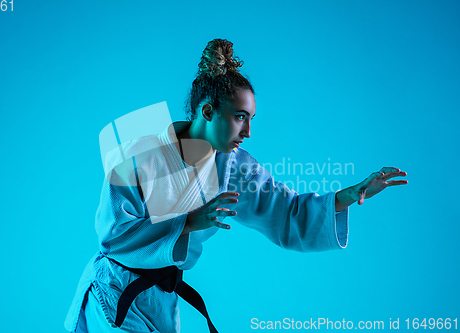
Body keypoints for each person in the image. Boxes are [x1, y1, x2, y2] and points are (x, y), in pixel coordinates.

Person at [64, 39, 408, 333]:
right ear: (208, 110)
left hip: (161, 300)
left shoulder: (233, 166)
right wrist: (188, 222)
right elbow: (113, 236)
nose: (247, 133)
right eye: (240, 117)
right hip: (114, 294)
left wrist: (348, 195)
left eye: (250, 119)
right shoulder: (140, 154)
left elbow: (287, 212)